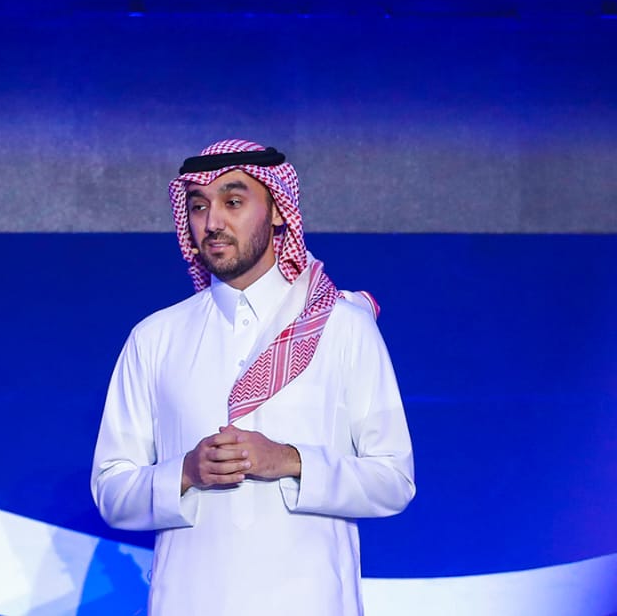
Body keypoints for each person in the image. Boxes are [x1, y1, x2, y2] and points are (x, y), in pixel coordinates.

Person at [90, 138, 414, 614]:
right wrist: (186, 472)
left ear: (278, 210)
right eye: (199, 206)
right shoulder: (154, 338)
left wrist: (289, 460)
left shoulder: (341, 326)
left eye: (233, 202)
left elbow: (393, 480)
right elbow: (112, 491)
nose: (212, 223)